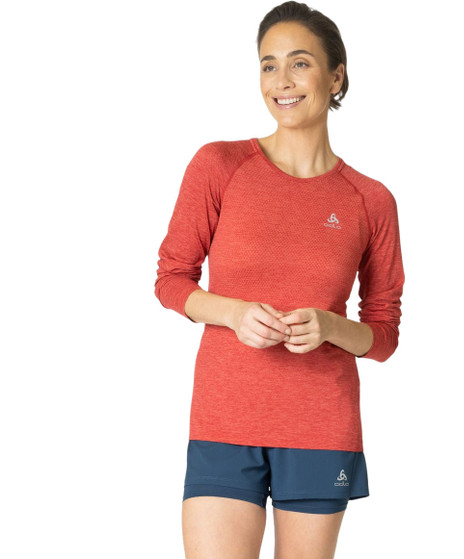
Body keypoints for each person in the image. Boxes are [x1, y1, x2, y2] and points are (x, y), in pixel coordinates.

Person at [154, 2, 405, 557]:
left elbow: (384, 335)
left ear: (335, 77)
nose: (281, 81)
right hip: (224, 419)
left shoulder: (370, 200)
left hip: (321, 425)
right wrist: (233, 313)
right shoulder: (219, 166)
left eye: (300, 63)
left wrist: (330, 327)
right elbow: (172, 279)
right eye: (268, 65)